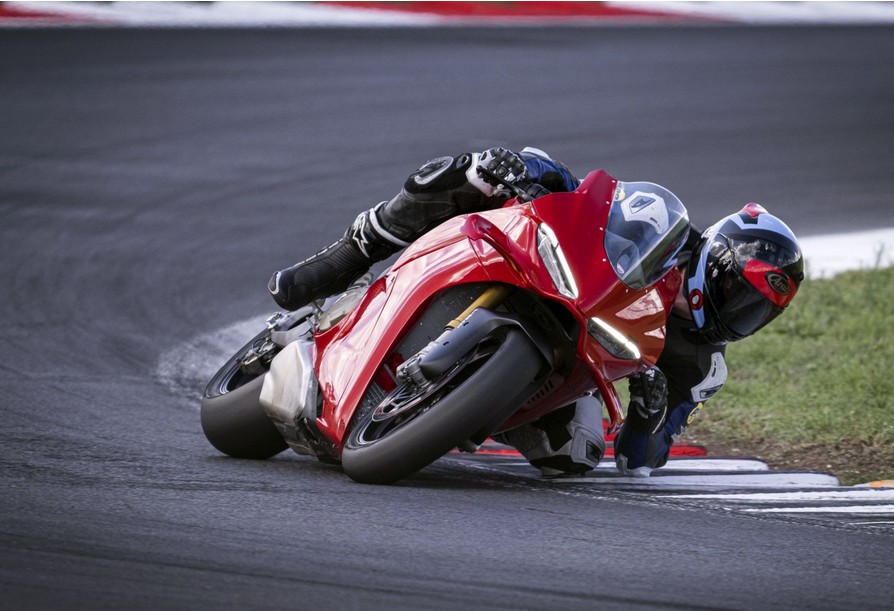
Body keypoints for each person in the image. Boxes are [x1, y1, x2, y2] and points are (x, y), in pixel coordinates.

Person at [268, 148, 805, 477]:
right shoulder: (664, 229)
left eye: (755, 311)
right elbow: (592, 198)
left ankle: (450, 410)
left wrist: (649, 413)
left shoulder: (704, 368)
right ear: (713, 259)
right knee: (475, 171)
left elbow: (643, 459)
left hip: (576, 368)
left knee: (575, 458)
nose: (739, 313)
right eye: (737, 292)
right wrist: (532, 169)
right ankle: (347, 257)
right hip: (552, 278)